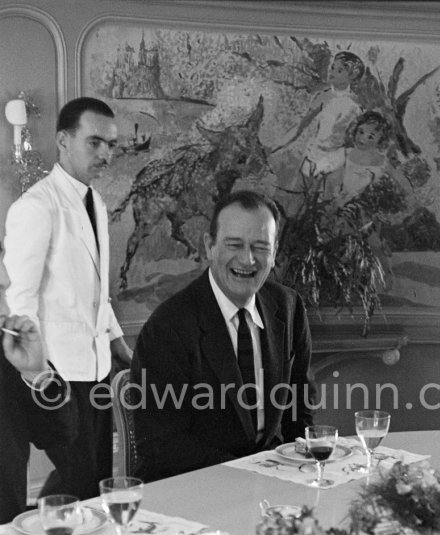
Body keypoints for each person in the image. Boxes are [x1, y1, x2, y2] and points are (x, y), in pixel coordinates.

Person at [131, 189, 316, 482]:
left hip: (272, 486)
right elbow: (161, 444)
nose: (248, 259)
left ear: (275, 250)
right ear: (209, 246)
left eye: (260, 247)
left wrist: (298, 473)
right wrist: (248, 476)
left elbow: (300, 409)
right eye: (234, 244)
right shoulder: (167, 327)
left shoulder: (288, 308)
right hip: (191, 490)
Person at [3, 97, 132, 501]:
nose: (105, 154)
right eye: (95, 142)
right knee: (76, 477)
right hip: (57, 370)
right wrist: (37, 370)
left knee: (93, 476)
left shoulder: (96, 202)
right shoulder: (36, 206)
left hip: (96, 367)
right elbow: (20, 300)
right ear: (63, 140)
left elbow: (98, 291)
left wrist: (116, 341)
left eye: (111, 145)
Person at [0, 302, 74, 524]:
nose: (5, 307)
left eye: (4, 290)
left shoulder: (7, 352)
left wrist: (37, 373)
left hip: (9, 532)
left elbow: (60, 435)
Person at [272, 51, 365, 179]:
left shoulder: (355, 106)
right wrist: (279, 144)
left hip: (336, 159)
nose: (332, 72)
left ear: (352, 77)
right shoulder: (324, 96)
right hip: (314, 154)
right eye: (332, 67)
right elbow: (301, 125)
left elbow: (355, 140)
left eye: (339, 71)